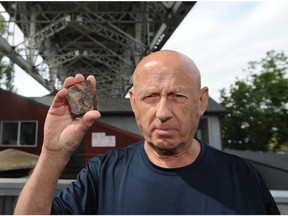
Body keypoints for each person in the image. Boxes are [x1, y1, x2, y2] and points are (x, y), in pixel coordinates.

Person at [14, 50, 280, 215]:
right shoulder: (102, 175)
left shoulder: (244, 178)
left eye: (177, 95)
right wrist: (52, 153)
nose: (163, 112)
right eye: (150, 96)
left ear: (201, 102)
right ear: (132, 102)